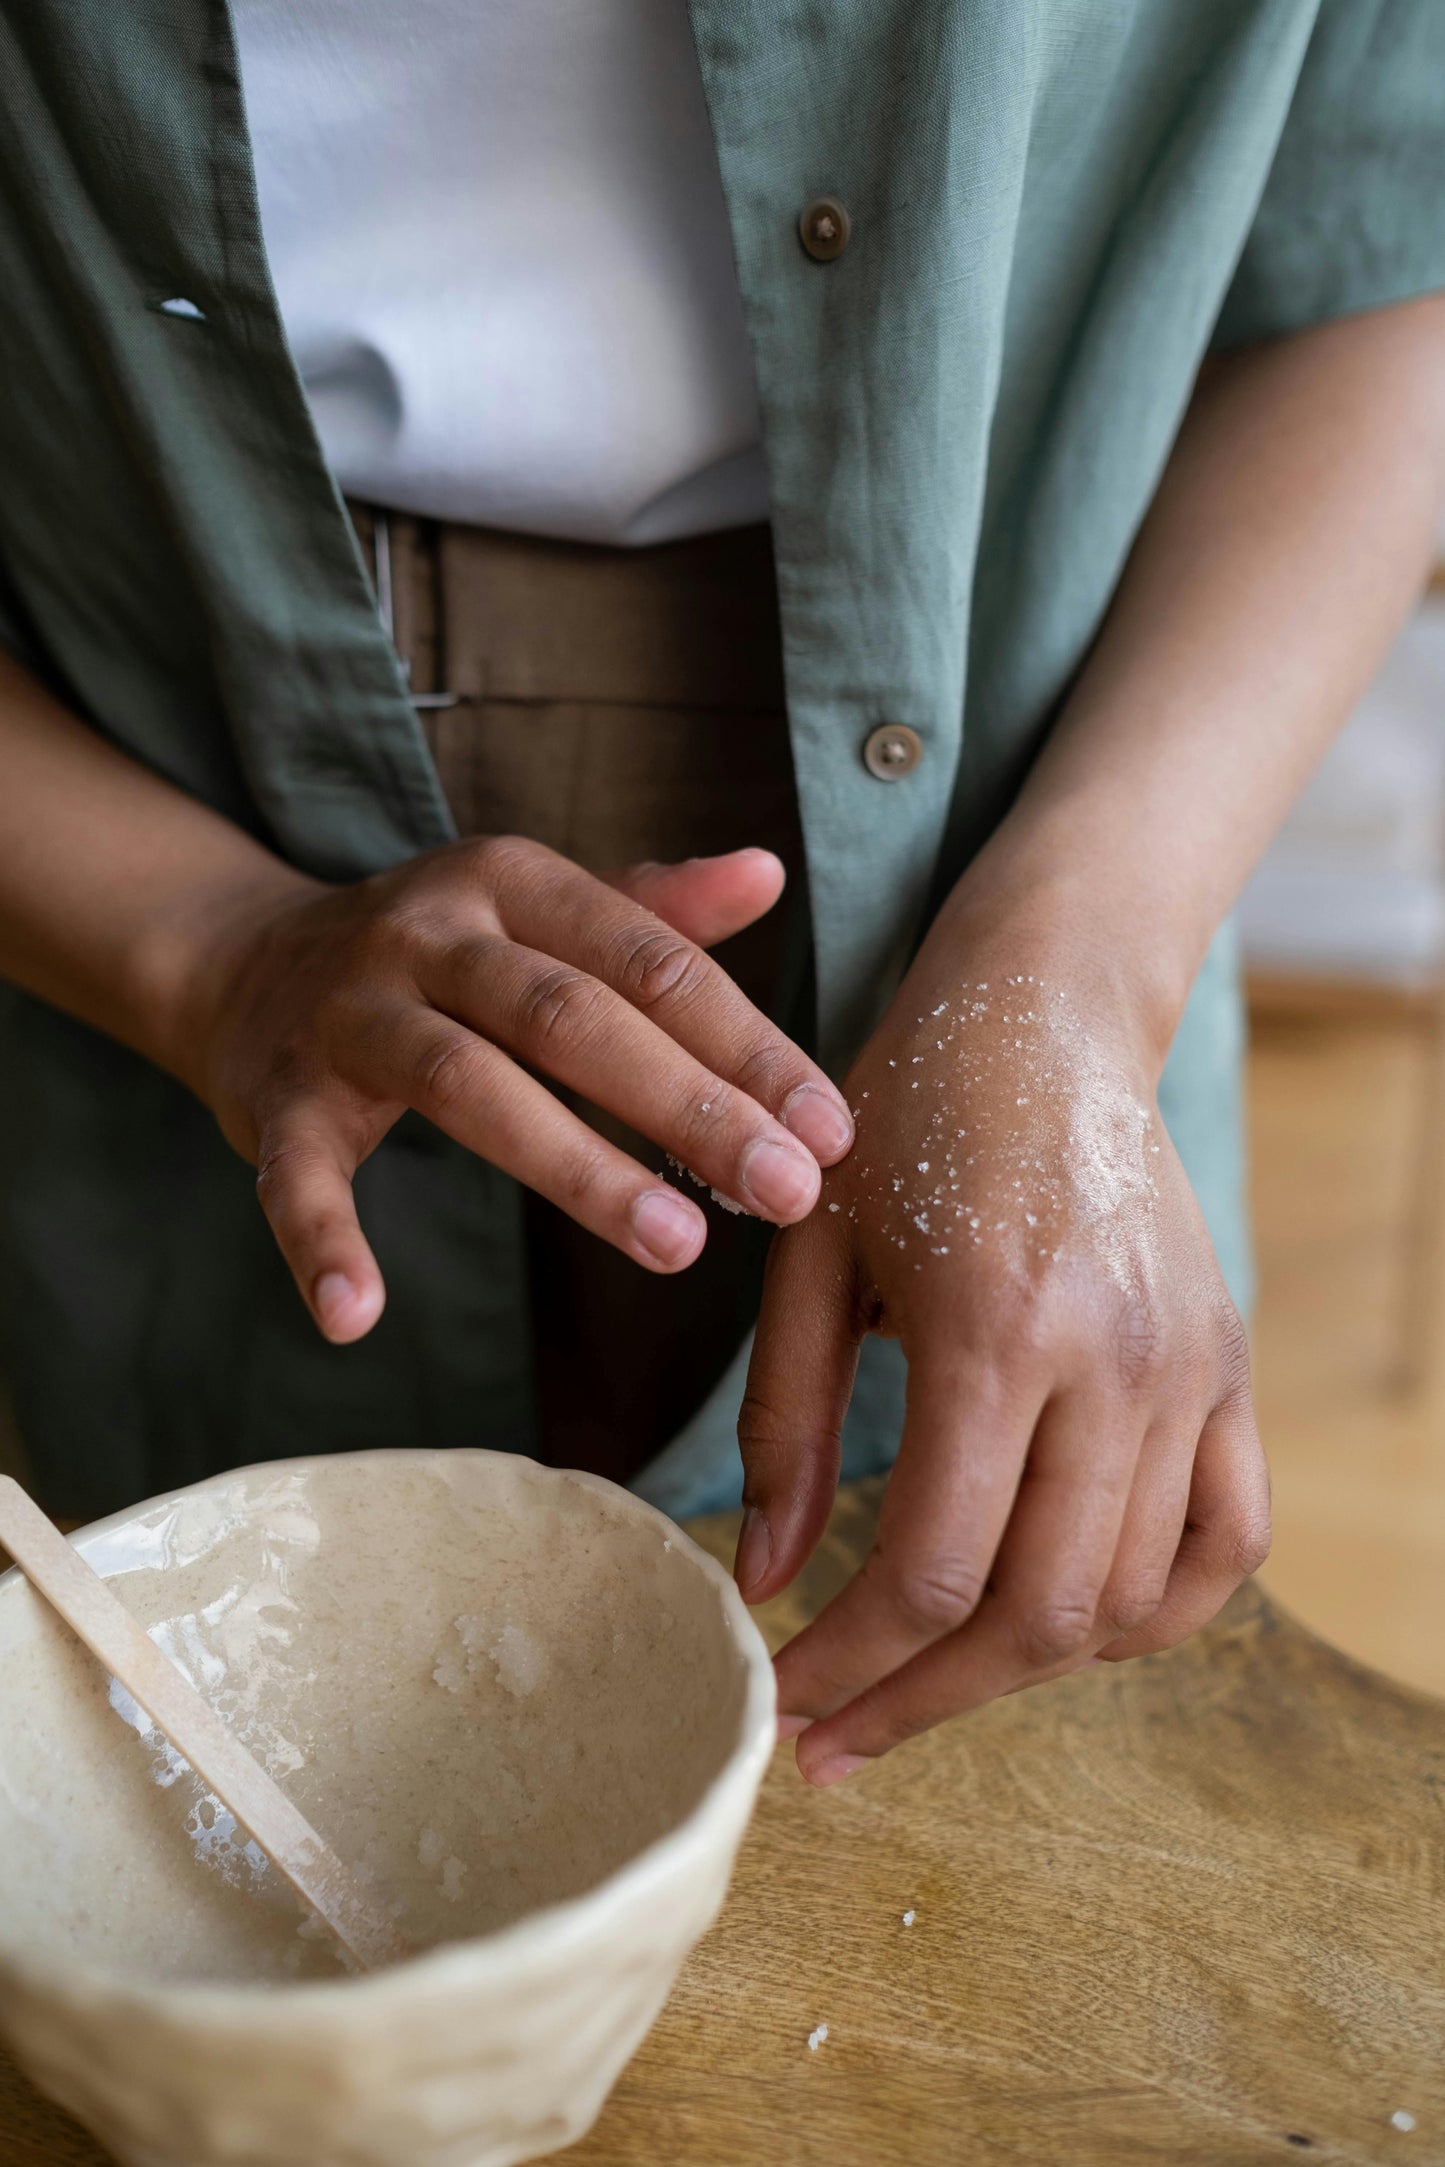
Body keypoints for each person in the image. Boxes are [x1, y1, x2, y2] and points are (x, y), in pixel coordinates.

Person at [1, 1, 1443, 1787]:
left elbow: (1385, 252)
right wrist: (204, 947)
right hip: (117, 800)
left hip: (1053, 785)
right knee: (221, 1807)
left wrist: (1074, 969)